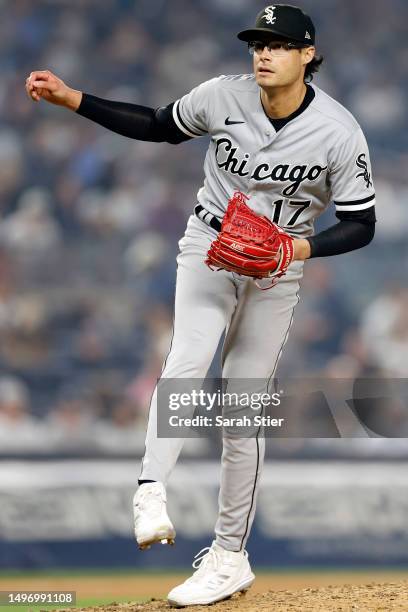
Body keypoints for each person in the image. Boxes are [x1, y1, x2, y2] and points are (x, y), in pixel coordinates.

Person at [26, 4, 376, 607]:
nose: (263, 53)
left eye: (279, 44)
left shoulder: (339, 132)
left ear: (308, 56)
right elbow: (159, 125)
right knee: (187, 358)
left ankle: (229, 555)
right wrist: (75, 99)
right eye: (257, 43)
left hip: (276, 271)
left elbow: (362, 223)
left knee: (242, 408)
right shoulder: (223, 96)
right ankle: (150, 490)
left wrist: (297, 247)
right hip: (210, 247)